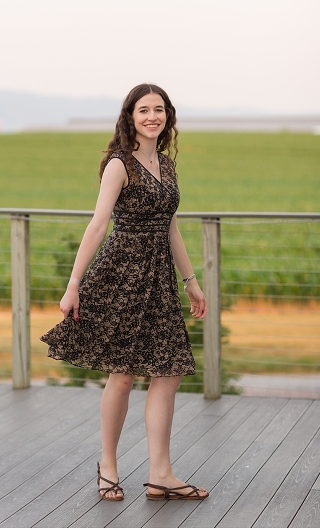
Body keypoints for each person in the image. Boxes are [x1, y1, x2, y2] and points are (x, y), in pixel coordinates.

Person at [41, 83, 209, 502]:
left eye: (159, 109)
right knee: (123, 374)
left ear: (168, 116)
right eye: (144, 110)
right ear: (130, 116)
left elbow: (171, 229)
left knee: (168, 372)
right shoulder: (120, 163)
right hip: (122, 275)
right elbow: (98, 224)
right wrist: (74, 285)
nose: (153, 117)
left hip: (159, 280)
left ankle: (161, 474)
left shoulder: (166, 165)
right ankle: (108, 466)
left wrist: (191, 281)